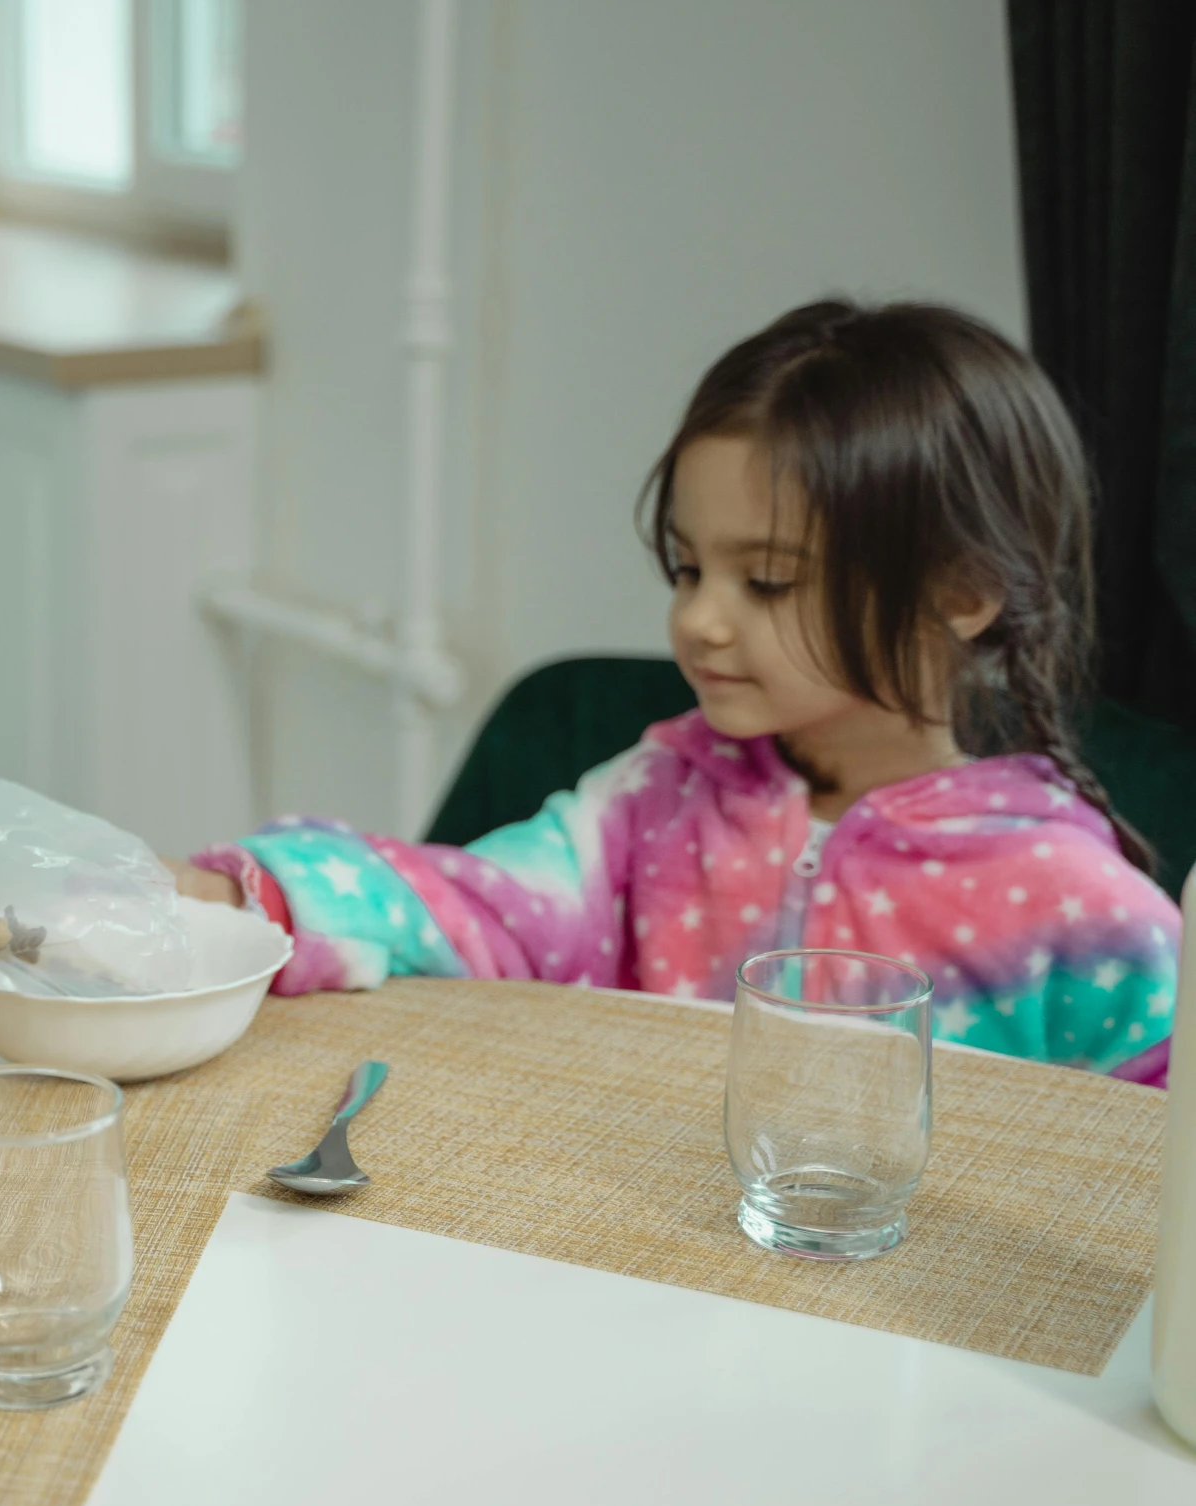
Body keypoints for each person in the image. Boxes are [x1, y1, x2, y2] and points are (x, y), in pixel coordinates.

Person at [181, 300, 1180, 1081]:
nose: (700, 620)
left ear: (959, 593)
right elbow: (468, 903)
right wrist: (233, 895)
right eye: (688, 568)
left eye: (767, 580)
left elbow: (1150, 1182)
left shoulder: (1076, 909)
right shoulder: (655, 800)